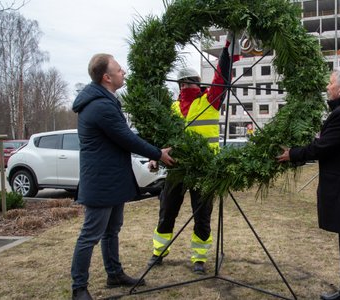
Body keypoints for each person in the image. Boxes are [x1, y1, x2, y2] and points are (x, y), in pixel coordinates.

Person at [71, 53, 175, 300]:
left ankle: (114, 274)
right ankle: (78, 288)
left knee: (111, 230)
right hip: (101, 181)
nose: (124, 72)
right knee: (90, 235)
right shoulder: (100, 106)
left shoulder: (106, 101)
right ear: (106, 77)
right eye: (119, 69)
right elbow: (126, 138)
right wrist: (158, 153)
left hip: (111, 179)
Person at [277, 66, 340, 300]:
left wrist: (293, 153)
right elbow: (331, 142)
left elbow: (323, 147)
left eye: (331, 83)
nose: (327, 86)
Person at [147, 33, 240, 274]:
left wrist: (228, 48)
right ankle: (159, 252)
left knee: (202, 216)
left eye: (189, 83)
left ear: (198, 84)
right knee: (167, 211)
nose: (186, 86)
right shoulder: (173, 108)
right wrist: (154, 156)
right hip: (177, 168)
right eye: (182, 83)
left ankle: (199, 258)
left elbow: (221, 76)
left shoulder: (210, 100)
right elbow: (164, 136)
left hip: (204, 170)